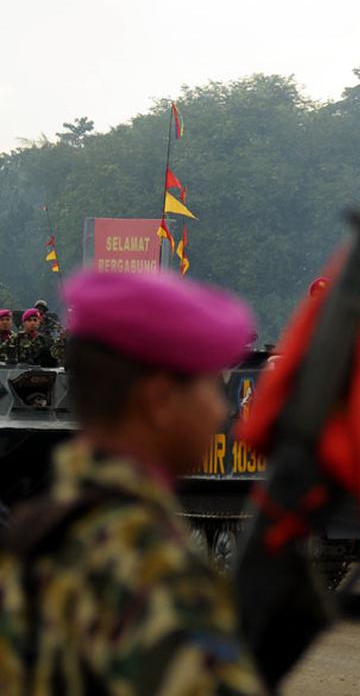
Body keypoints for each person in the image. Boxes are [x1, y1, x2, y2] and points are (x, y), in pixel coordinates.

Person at [0, 270, 264, 694]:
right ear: (159, 400)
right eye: (209, 386)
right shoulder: (152, 568)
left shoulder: (32, 539)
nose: (219, 410)